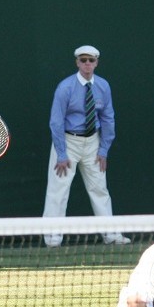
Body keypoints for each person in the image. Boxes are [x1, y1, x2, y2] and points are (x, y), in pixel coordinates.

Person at [42, 45, 130, 247]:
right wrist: (62, 153)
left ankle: (111, 235)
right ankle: (52, 239)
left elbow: (108, 118)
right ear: (77, 63)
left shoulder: (103, 86)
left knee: (99, 189)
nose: (87, 64)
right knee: (58, 191)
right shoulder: (65, 88)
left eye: (91, 60)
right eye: (83, 60)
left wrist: (103, 150)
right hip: (67, 142)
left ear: (97, 62)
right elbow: (56, 122)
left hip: (93, 142)